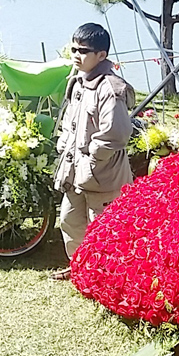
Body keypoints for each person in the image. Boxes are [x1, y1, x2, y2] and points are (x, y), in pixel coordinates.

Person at [52, 23, 135, 279]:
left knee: (104, 227)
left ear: (101, 55)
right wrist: (64, 146)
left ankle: (107, 277)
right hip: (75, 172)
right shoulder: (77, 82)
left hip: (103, 175)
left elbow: (116, 134)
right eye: (73, 48)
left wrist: (91, 158)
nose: (76, 55)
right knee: (69, 220)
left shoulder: (110, 88)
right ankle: (80, 268)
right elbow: (70, 124)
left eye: (84, 51)